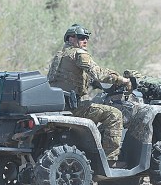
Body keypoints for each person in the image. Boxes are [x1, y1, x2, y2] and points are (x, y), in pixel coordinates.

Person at [47, 23, 132, 167]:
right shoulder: (78, 53)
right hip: (76, 107)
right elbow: (98, 73)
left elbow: (68, 78)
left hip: (60, 104)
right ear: (71, 38)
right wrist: (121, 79)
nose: (85, 40)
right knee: (115, 115)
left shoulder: (60, 55)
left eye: (86, 37)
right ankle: (109, 161)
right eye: (81, 37)